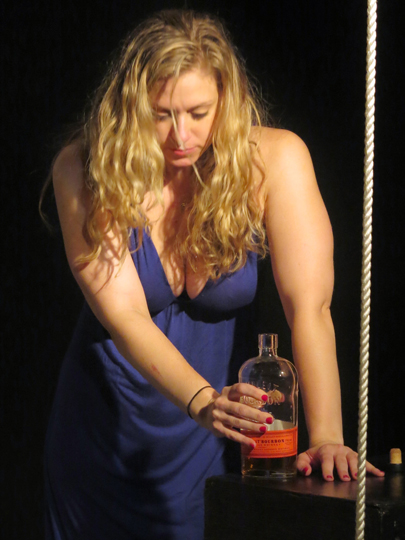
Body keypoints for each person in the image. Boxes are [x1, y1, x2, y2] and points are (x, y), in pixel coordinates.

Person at [44, 9, 384, 540]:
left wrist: (326, 436)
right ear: (131, 108)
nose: (181, 135)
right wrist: (203, 400)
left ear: (227, 98)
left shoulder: (275, 159)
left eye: (198, 113)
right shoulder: (86, 169)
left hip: (211, 442)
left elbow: (310, 308)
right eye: (160, 115)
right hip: (104, 436)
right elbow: (126, 315)